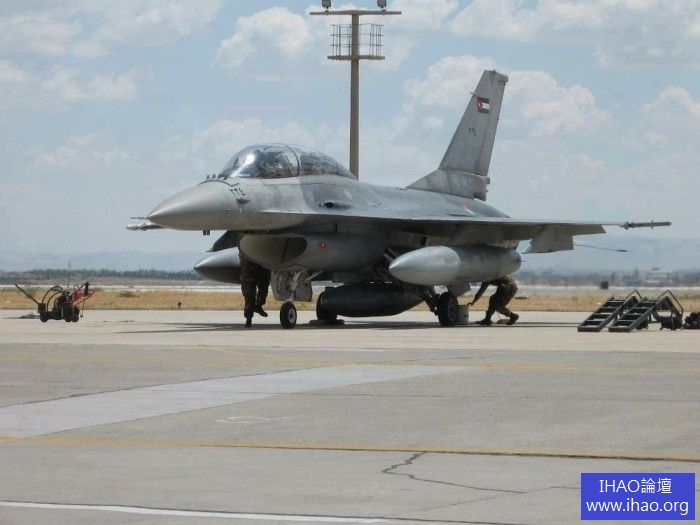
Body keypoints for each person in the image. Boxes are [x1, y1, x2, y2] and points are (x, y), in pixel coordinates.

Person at [239, 254, 271, 328]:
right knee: (249, 295)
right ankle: (249, 319)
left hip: (263, 262)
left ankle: (258, 306)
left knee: (264, 287)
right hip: (249, 266)